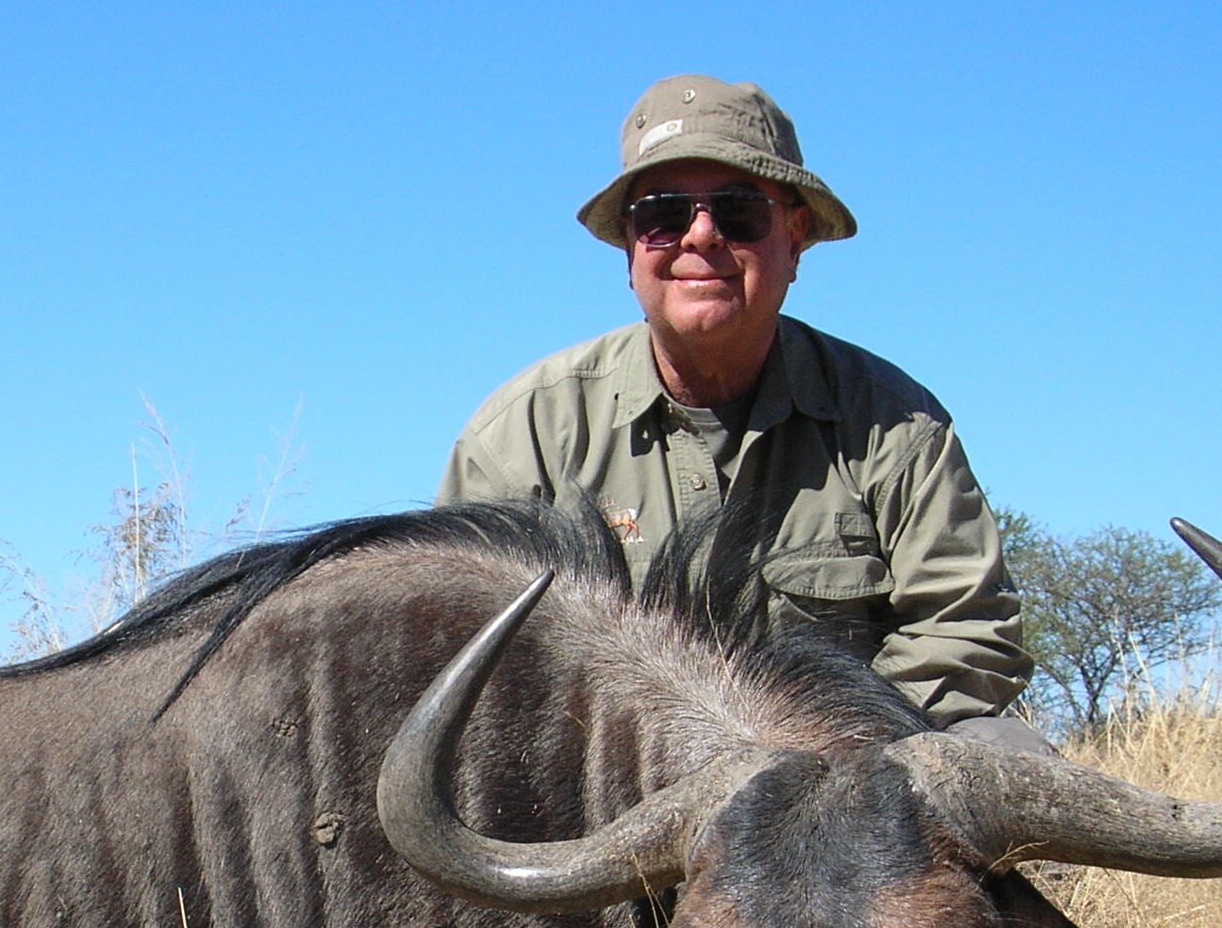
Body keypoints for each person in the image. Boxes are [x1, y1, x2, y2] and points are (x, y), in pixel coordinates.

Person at [440, 74, 1040, 745]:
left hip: (846, 775)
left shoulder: (896, 424)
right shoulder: (524, 434)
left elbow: (967, 628)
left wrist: (821, 751)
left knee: (1008, 751)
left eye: (739, 212)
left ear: (796, 239)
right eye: (663, 215)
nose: (700, 238)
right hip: (610, 786)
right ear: (631, 251)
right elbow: (461, 654)